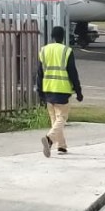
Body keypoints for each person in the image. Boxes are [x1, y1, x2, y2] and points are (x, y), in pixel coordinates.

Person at [37, 25, 84, 157]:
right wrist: (78, 91)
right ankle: (49, 139)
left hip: (48, 89)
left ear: (52, 37)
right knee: (62, 118)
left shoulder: (44, 50)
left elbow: (39, 73)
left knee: (54, 119)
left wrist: (39, 90)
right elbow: (73, 72)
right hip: (62, 89)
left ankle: (61, 146)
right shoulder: (66, 51)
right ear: (63, 37)